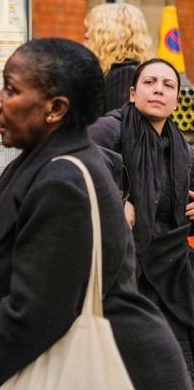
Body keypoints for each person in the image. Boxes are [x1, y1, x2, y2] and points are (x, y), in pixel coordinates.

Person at [0, 39, 190, 390]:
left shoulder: (64, 180)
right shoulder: (44, 162)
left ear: (55, 109)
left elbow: (35, 312)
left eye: (11, 89)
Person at [90, 57, 194, 377]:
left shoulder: (181, 147)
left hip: (169, 269)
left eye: (168, 85)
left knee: (179, 362)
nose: (158, 90)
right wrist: (117, 201)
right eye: (150, 83)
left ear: (177, 99)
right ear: (133, 94)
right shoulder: (112, 128)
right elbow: (73, 161)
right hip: (125, 271)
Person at [85, 2, 154, 112]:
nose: (87, 35)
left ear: (111, 35)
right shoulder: (121, 70)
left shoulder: (125, 74)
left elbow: (116, 126)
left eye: (91, 29)